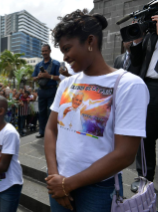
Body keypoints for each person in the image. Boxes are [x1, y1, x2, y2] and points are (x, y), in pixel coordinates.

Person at [44, 10, 149, 211]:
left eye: (67, 48)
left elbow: (125, 154)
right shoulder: (66, 84)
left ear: (90, 41)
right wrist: (54, 176)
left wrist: (69, 184)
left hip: (97, 189)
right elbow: (51, 129)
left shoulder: (128, 85)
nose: (65, 58)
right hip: (57, 182)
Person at [128, 16, 158, 192]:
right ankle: (144, 177)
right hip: (149, 87)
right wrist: (137, 40)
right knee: (145, 136)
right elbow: (136, 63)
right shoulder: (150, 36)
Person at [32, 44, 60, 138]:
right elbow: (33, 78)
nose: (44, 53)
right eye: (42, 51)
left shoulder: (56, 63)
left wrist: (49, 76)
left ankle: (51, 132)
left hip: (52, 90)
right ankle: (42, 132)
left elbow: (60, 77)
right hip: (41, 91)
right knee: (41, 112)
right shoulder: (38, 65)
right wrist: (38, 77)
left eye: (45, 51)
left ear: (50, 51)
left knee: (51, 112)